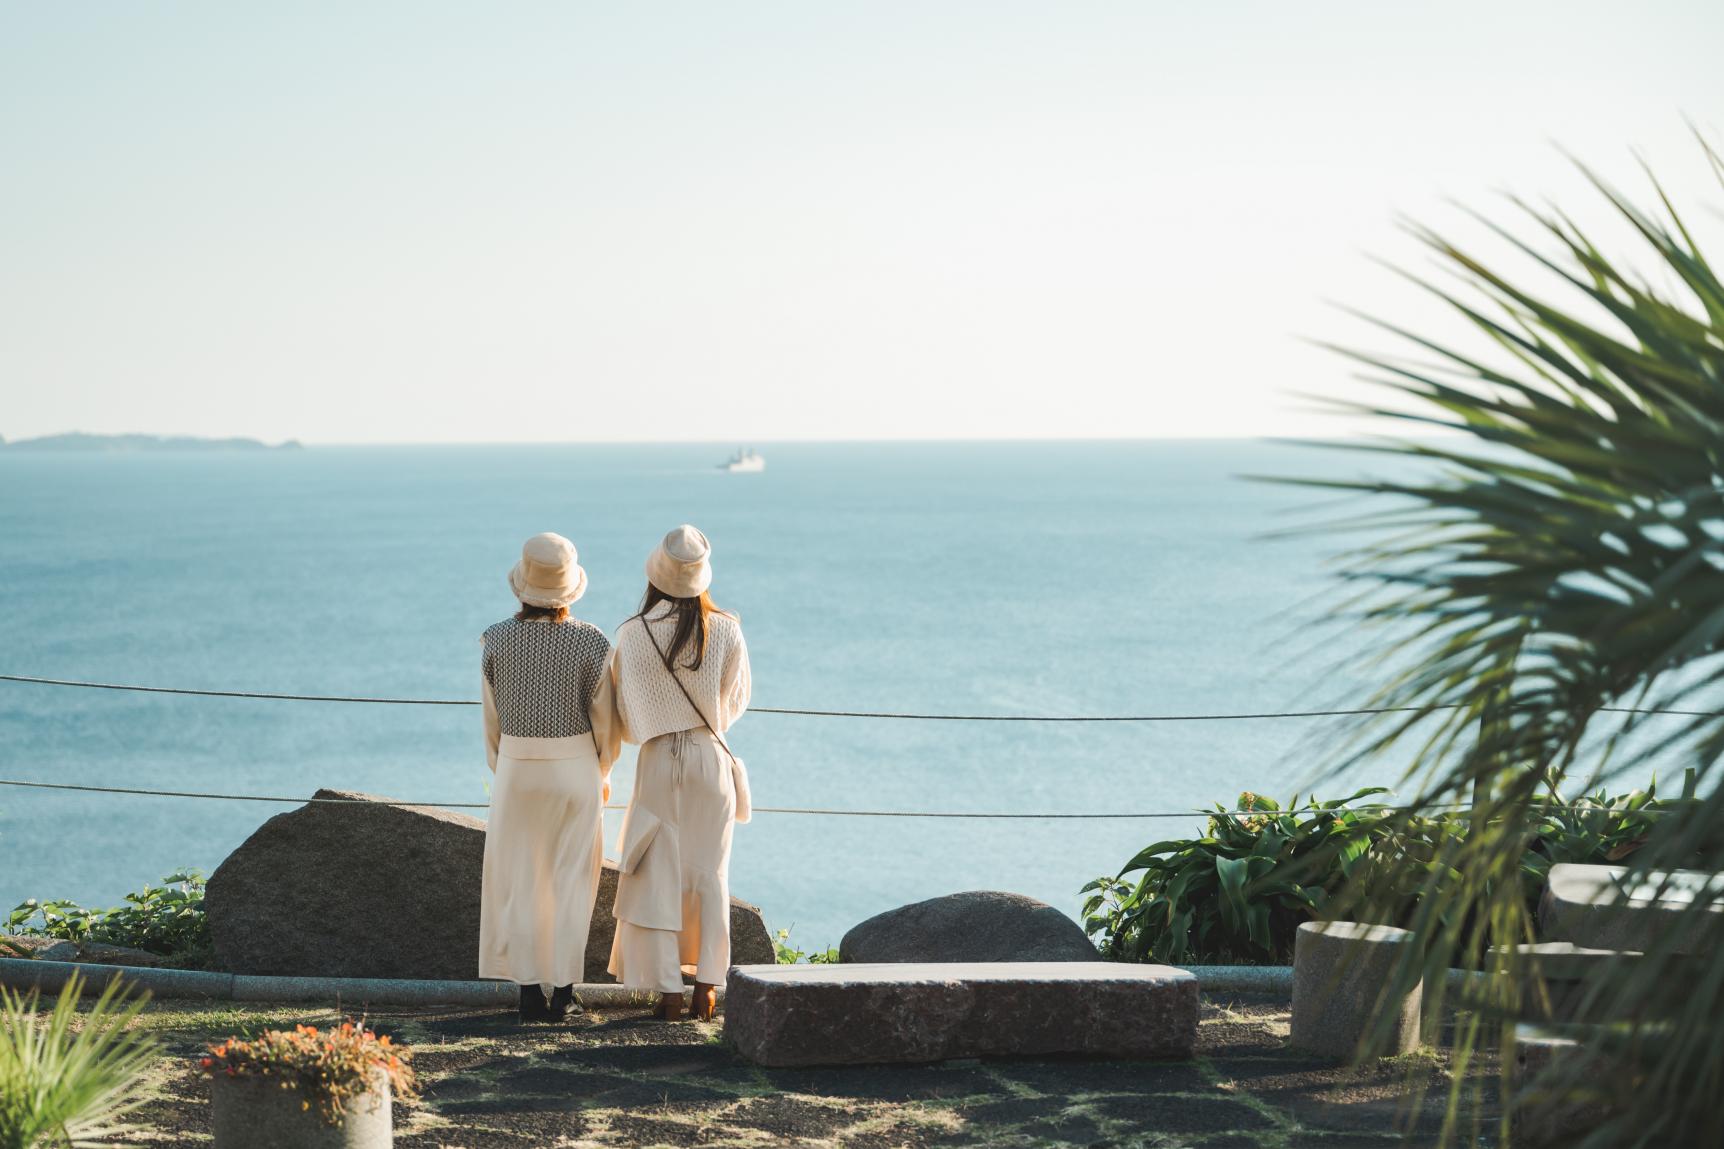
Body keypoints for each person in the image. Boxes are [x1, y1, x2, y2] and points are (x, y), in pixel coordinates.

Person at [595, 524, 752, 1021]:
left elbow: (623, 712)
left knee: (655, 871)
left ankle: (666, 991)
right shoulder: (726, 627)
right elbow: (736, 701)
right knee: (711, 874)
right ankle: (707, 986)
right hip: (711, 758)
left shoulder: (631, 633)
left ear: (656, 575)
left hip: (660, 758)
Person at [479, 532, 617, 1022]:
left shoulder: (494, 638)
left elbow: (491, 723)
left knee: (519, 879)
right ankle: (563, 992)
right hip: (575, 767)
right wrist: (600, 770)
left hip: (517, 768)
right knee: (570, 881)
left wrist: (510, 766)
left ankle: (526, 992)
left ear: (523, 586)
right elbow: (605, 723)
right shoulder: (594, 642)